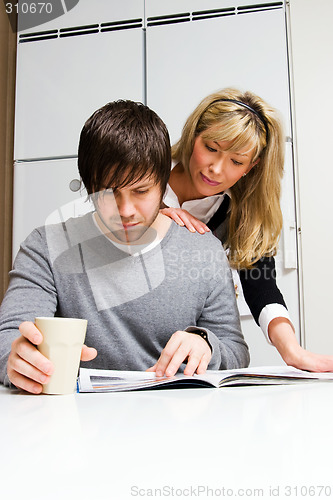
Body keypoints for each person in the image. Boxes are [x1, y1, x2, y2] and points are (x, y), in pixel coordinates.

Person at [0, 100, 249, 394]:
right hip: (74, 423)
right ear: (89, 186)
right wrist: (15, 361)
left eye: (141, 191)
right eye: (108, 193)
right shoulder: (45, 247)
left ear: (163, 182)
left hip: (175, 424)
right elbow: (9, 340)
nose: (125, 210)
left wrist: (205, 344)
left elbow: (237, 354)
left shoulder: (204, 252)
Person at [161, 87, 333, 372]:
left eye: (236, 161)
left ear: (251, 167)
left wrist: (292, 351)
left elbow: (260, 282)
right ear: (194, 136)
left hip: (185, 348)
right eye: (211, 148)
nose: (216, 168)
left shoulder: (234, 210)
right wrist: (154, 215)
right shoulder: (148, 170)